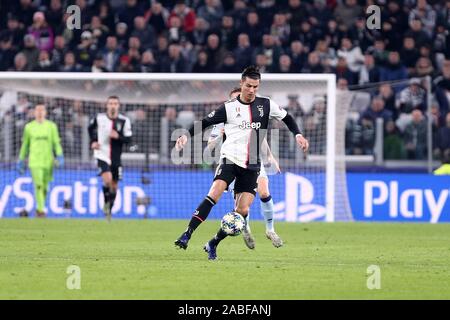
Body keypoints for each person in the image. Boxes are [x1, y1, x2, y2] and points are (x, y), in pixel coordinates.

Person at [174, 66, 309, 260]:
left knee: (241, 212)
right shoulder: (228, 108)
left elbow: (287, 118)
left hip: (252, 166)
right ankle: (187, 234)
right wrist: (186, 135)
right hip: (230, 160)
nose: (252, 90)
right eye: (248, 86)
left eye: (255, 86)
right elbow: (204, 122)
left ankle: (213, 243)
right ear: (241, 83)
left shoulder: (266, 105)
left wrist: (298, 134)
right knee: (214, 193)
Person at [207, 87, 283, 249]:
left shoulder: (252, 116)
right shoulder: (223, 119)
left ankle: (270, 230)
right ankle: (245, 228)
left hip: (254, 161)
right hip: (232, 163)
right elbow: (210, 145)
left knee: (264, 192)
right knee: (240, 207)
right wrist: (220, 134)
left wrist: (270, 156)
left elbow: (260, 139)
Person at [88, 96, 132, 220]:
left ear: (118, 106)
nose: (113, 105)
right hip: (101, 154)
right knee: (107, 180)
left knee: (114, 186)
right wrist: (93, 141)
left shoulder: (124, 120)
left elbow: (129, 139)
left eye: (115, 103)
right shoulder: (99, 118)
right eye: (111, 103)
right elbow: (90, 129)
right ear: (107, 105)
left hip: (116, 157)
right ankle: (107, 206)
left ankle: (109, 209)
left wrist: (118, 136)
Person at [17, 104, 64, 217]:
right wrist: (21, 159)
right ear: (34, 112)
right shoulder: (29, 127)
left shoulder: (51, 126)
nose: (40, 112)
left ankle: (40, 207)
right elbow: (25, 145)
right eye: (37, 110)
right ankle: (40, 210)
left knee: (45, 187)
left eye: (42, 110)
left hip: (48, 161)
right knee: (38, 184)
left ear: (45, 112)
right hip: (34, 161)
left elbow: (56, 143)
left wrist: (60, 155)